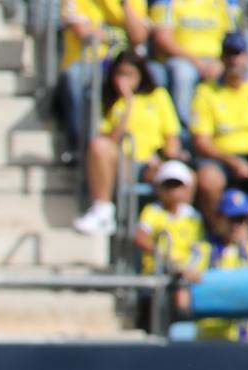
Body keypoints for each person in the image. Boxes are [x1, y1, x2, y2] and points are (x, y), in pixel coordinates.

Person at [73, 48, 183, 235]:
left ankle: (182, 227)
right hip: (124, 163)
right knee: (99, 146)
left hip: (152, 163)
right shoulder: (111, 102)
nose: (122, 80)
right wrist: (128, 103)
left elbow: (172, 137)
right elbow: (111, 141)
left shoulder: (158, 96)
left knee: (179, 176)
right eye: (119, 74)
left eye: (129, 74)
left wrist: (163, 159)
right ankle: (103, 210)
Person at [55, 0, 149, 159]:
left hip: (123, 62)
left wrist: (124, 5)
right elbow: (84, 34)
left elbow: (139, 36)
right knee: (75, 75)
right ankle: (80, 145)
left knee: (154, 76)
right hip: (88, 62)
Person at [191, 32, 248, 222]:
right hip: (220, 158)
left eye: (238, 54)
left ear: (247, 57)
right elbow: (201, 142)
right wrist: (233, 162)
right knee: (208, 179)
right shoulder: (206, 92)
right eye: (229, 54)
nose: (234, 60)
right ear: (221, 58)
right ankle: (220, 233)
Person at [179, 187, 248, 339]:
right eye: (231, 219)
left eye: (241, 219)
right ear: (219, 219)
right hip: (211, 340)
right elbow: (182, 269)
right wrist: (186, 274)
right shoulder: (203, 251)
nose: (236, 226)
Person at [148, 0, 238, 131]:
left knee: (247, 71)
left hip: (218, 59)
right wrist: (196, 62)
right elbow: (163, 40)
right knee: (183, 74)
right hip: (180, 59)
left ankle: (233, 130)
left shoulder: (225, 3)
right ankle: (186, 129)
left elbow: (234, 38)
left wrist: (221, 61)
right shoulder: (167, 2)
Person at [134, 158, 204, 274]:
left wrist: (187, 267)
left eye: (177, 185)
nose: (172, 190)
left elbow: (199, 247)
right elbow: (140, 237)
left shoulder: (193, 216)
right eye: (168, 185)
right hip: (158, 270)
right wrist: (161, 254)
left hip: (186, 271)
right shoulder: (152, 211)